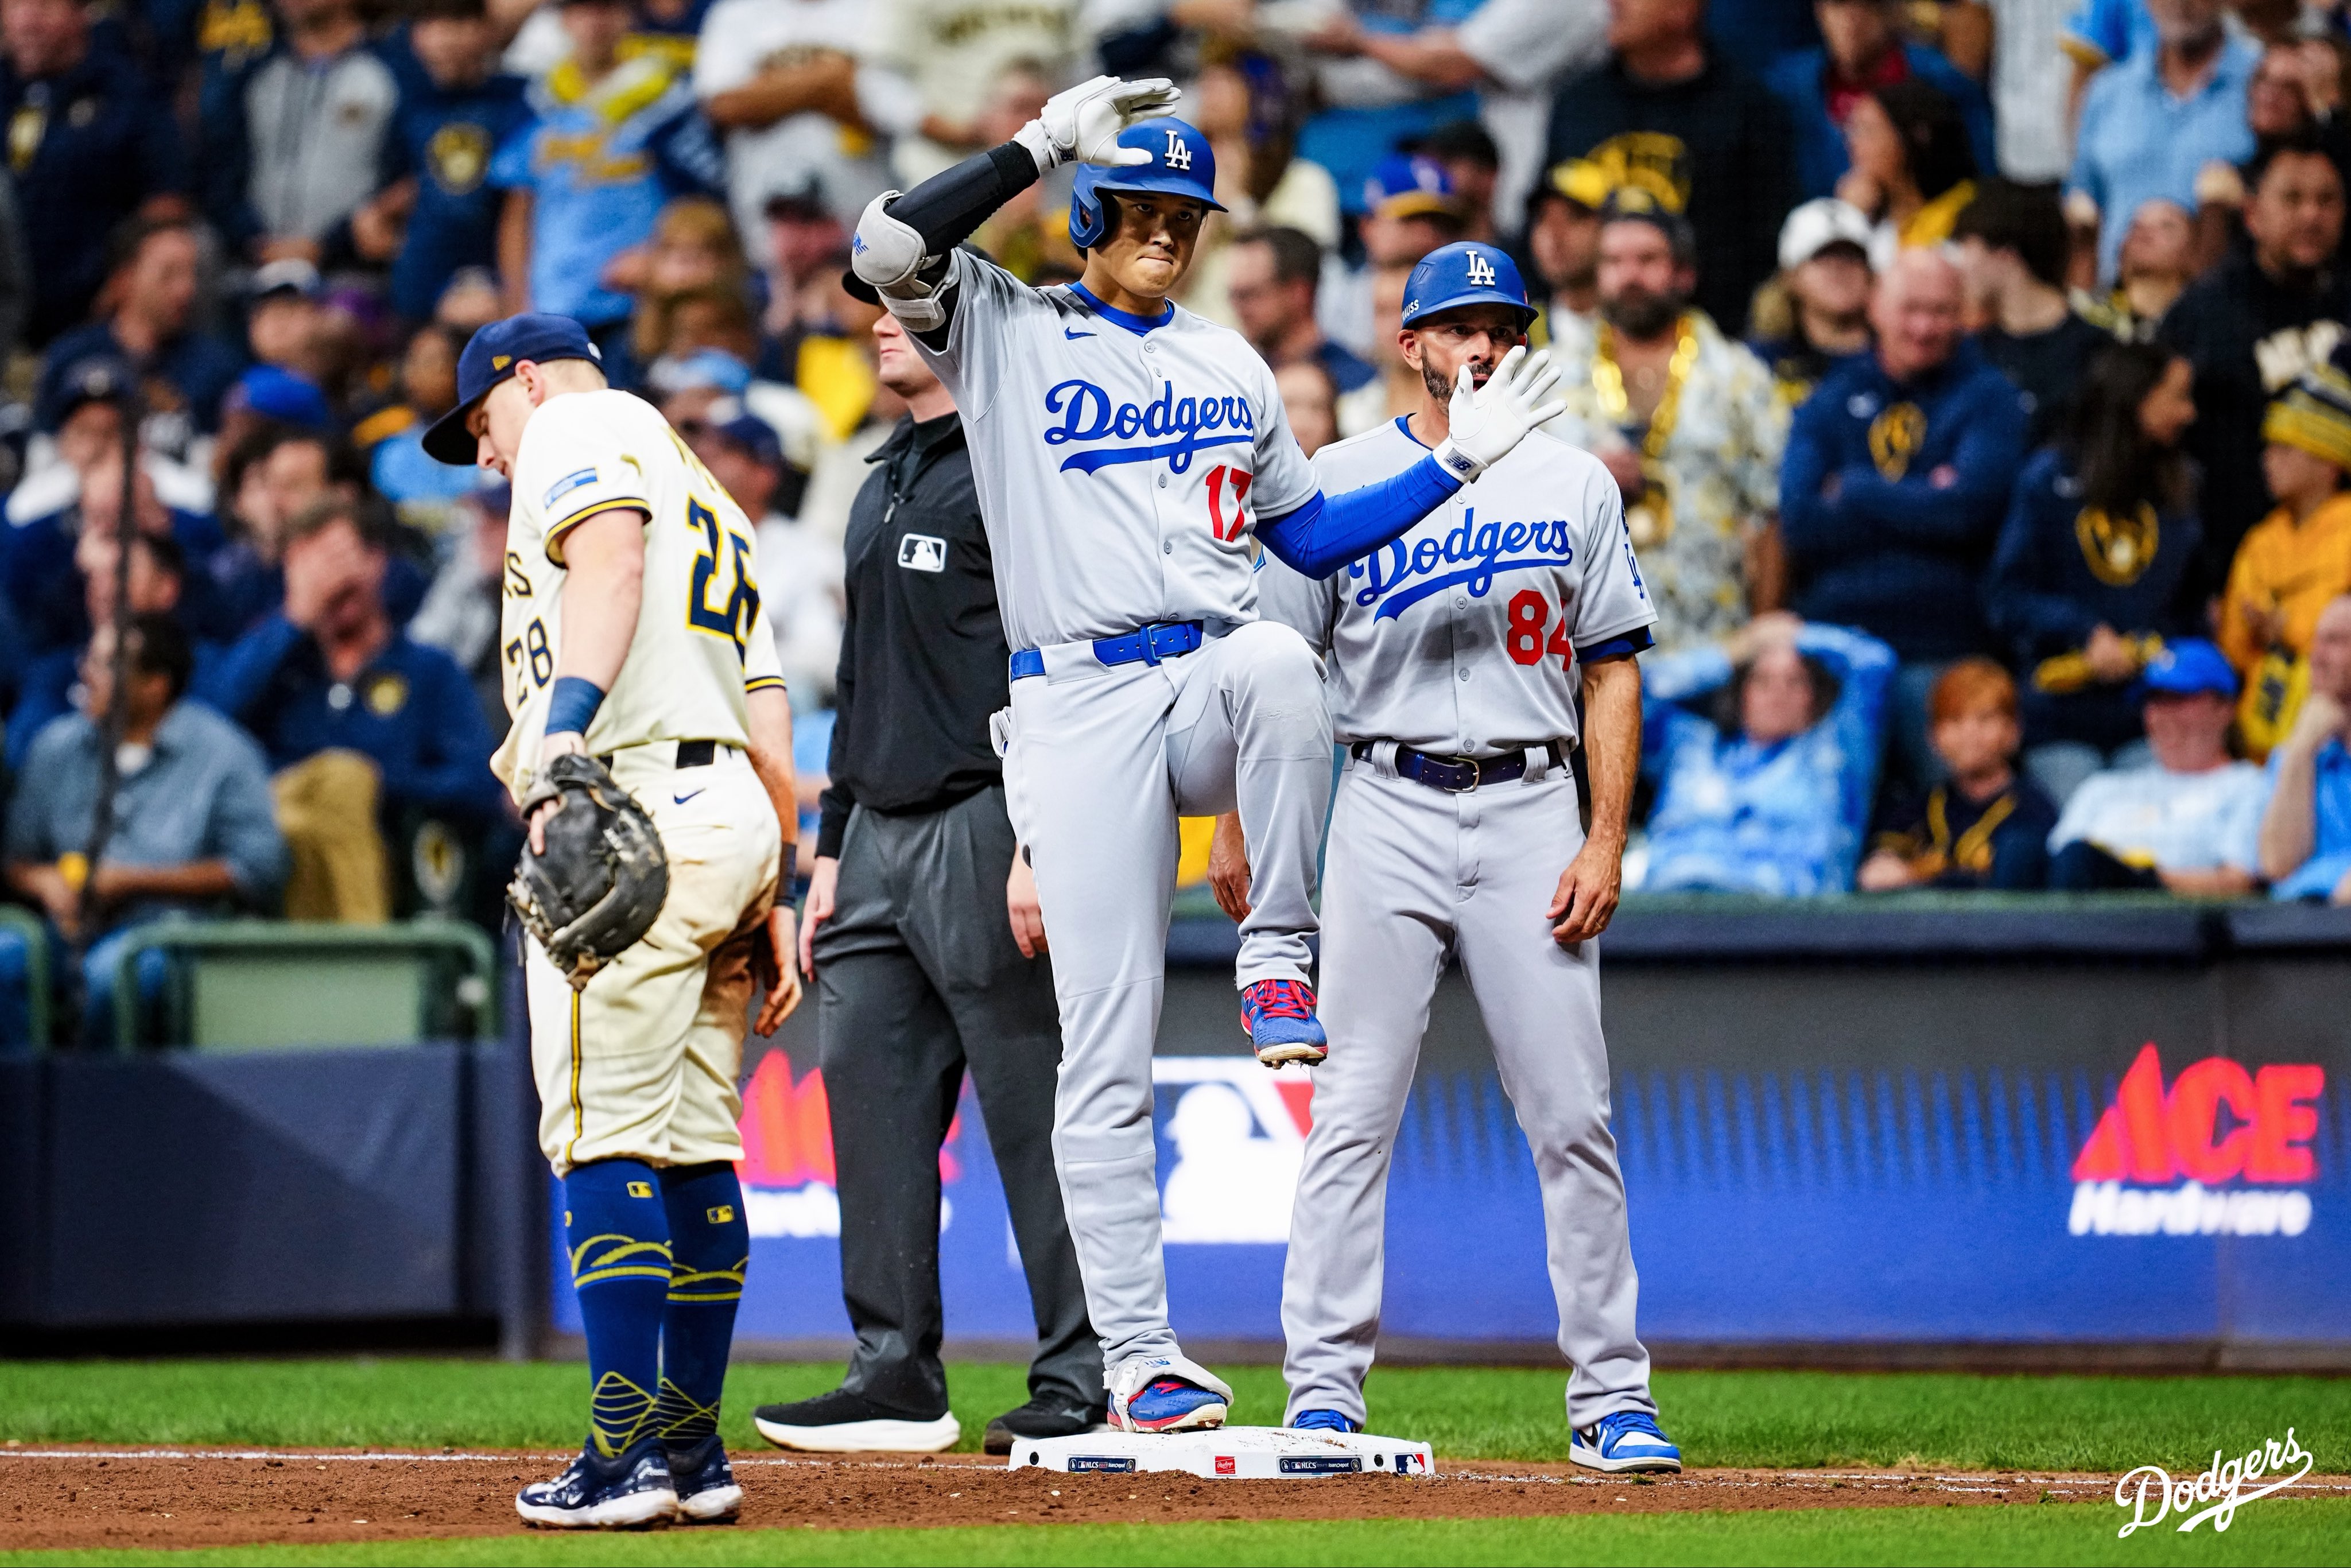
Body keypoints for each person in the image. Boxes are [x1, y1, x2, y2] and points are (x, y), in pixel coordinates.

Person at [845, 82, 1566, 1431]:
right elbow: (885, 249)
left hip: (1198, 671)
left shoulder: (1228, 361)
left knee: (1279, 660)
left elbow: (1303, 544)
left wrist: (1449, 469)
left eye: (1189, 214)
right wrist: (1038, 144)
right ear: (1091, 214)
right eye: (1147, 210)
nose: (1171, 233)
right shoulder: (1006, 327)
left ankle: (1276, 948)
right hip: (1069, 703)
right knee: (1104, 1050)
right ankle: (1140, 1358)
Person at [1223, 240, 1680, 1472]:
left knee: (1572, 1116)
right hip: (1381, 798)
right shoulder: (1339, 478)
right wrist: (1232, 822)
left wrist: (1601, 833)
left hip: (1533, 805)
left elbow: (1611, 666)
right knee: (1350, 1111)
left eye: (1499, 324)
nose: (1480, 344)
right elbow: (1272, 674)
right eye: (1456, 325)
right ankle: (1321, 1392)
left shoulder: (1575, 481)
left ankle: (1611, 1399)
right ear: (1410, 343)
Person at [420, 313, 805, 1527]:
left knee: (602, 1136)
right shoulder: (709, 491)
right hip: (725, 808)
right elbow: (764, 694)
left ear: (523, 381)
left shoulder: (581, 422)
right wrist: (776, 879)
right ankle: (692, 1455)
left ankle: (622, 1460)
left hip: (632, 794)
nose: (485, 455)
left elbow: (612, 564)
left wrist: (570, 734)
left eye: (480, 422)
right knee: (693, 1139)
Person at [752, 306, 1100, 1460]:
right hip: (876, 837)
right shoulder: (879, 479)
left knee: (1034, 1108)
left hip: (984, 815)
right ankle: (892, 1371)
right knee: (869, 1102)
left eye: (907, 311)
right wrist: (829, 850)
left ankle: (1088, 1369)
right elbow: (858, 680)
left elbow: (1058, 659)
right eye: (871, 313)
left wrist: (1038, 838)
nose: (877, 328)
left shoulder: (1021, 468)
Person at [1780, 247, 2026, 788]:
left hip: (1944, 645)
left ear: (1962, 313)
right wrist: (1924, 496)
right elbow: (1800, 520)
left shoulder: (1989, 398)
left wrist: (1857, 489)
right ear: (1875, 307)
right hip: (1837, 645)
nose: (1924, 326)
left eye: (1941, 311)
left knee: (1948, 817)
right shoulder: (1831, 396)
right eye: (1910, 308)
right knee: (1829, 816)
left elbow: (1969, 513)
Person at [197, 498, 501, 921]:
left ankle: (361, 957)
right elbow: (204, 730)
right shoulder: (275, 672)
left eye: (339, 559)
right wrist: (292, 620)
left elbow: (477, 785)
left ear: (376, 562)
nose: (331, 583)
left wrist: (376, 784)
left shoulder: (428, 671)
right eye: (311, 566)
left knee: (344, 781)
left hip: (401, 869)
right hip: (276, 879)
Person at [5, 613, 286, 1042]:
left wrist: (132, 882)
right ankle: (27, 1101)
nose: (87, 673)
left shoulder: (224, 753)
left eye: (107, 664)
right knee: (6, 959)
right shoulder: (55, 748)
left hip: (173, 932)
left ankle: (101, 1102)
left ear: (155, 685)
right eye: (89, 659)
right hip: (67, 930)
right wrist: (45, 882)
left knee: (114, 975)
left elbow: (261, 867)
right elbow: (16, 857)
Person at [1541, 192, 1786, 652]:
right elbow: (1512, 504)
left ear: (1685, 273)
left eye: (1647, 259)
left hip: (1715, 644)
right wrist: (1578, 481)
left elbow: (1771, 518)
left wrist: (1762, 647)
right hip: (1581, 649)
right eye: (1614, 261)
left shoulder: (1740, 377)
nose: (1629, 275)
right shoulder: (1548, 378)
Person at [1987, 341, 2202, 804]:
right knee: (2086, 840)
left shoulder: (2182, 487)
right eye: (2177, 396)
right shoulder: (2048, 479)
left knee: (2154, 839)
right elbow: (2006, 596)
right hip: (2061, 718)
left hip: (2153, 717)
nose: (2188, 413)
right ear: (2136, 398)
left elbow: (2192, 607)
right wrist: (2085, 633)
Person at [2156, 138, 2350, 583]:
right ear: (2252, 215)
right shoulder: (2204, 312)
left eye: (2327, 201)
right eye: (2292, 199)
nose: (2311, 216)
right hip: (2230, 559)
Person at [1545, 0, 1795, 333]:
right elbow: (1546, 216)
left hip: (1712, 339)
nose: (1614, 3)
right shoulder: (1579, 104)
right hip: (1583, 337)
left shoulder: (1748, 111)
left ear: (1683, 9)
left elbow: (1766, 245)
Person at [492, 0, 724, 345]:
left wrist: (660, 258)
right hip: (554, 305)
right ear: (563, 20)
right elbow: (518, 211)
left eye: (606, 9)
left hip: (641, 303)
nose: (594, 23)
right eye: (581, 10)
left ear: (628, 16)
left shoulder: (666, 97)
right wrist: (516, 299)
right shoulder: (537, 101)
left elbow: (701, 201)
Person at [1636, 612, 1898, 895]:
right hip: (1669, 914)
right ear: (1741, 692)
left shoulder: (1837, 752)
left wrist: (1800, 637)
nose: (1778, 693)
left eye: (1795, 681)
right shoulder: (1689, 747)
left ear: (1814, 696)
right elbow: (1630, 692)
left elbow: (1874, 663)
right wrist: (1731, 653)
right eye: (1763, 680)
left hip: (1786, 926)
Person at [0, 0, 186, 346]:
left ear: (81, 13)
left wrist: (123, 284)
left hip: (98, 320)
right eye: (13, 7)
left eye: (43, 7)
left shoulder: (128, 92)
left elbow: (167, 204)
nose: (26, 22)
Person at [2045, 638, 2264, 893]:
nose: (2162, 714)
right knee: (2031, 851)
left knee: (2084, 861)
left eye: (2178, 699)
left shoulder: (2248, 786)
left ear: (2225, 708)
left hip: (2175, 924)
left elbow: (2238, 882)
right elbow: (2053, 866)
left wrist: (2140, 880)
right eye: (2154, 700)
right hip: (2073, 918)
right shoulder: (2102, 788)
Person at [2067, 0, 2259, 285]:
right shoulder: (2107, 91)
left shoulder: (2263, 82)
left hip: (2231, 301)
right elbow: (2082, 209)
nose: (2181, 4)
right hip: (2118, 303)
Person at [692, 0, 915, 240]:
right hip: (769, 220)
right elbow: (725, 106)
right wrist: (830, 82)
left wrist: (771, 88)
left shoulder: (882, 9)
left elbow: (901, 110)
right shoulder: (736, 13)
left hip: (868, 213)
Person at [2217, 366, 2351, 758]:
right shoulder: (2260, 541)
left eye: (2286, 449)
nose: (2268, 460)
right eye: (2269, 448)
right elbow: (2233, 647)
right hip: (2256, 734)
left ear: (2329, 462)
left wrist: (2287, 630)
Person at [371, 0, 530, 326]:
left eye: (459, 22)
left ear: (487, 31)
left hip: (500, 272)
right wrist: (377, 215)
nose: (446, 39)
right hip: (421, 279)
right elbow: (401, 182)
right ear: (416, 36)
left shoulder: (519, 99)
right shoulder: (407, 101)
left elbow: (525, 198)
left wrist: (516, 293)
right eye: (432, 24)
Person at [203, 0, 398, 265]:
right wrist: (252, 238)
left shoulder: (394, 69)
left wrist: (331, 244)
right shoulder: (250, 72)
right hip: (255, 266)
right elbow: (222, 172)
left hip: (354, 273)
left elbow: (404, 175)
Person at [38, 216, 240, 462]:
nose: (186, 289)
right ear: (125, 279)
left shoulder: (217, 367)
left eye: (191, 274)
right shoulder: (72, 357)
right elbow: (42, 451)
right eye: (169, 274)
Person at [687, 401, 840, 705]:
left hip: (766, 701)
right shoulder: (677, 535)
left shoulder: (807, 552)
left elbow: (824, 657)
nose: (706, 457)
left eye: (726, 450)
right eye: (704, 447)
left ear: (765, 475)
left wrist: (735, 661)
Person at [1857, 657, 2058, 889]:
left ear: (2013, 731)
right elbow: (1875, 872)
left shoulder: (2033, 809)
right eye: (1954, 720)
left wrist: (1915, 876)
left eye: (1985, 719)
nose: (1969, 733)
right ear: (1932, 735)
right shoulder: (1921, 807)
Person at [1765, 0, 1994, 203]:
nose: (1851, 19)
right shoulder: (1788, 87)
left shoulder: (1943, 82)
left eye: (1867, 4)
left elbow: (1981, 182)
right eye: (1838, 4)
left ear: (1892, 10)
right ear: (1820, 10)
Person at [1953, 178, 2118, 447]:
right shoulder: (1972, 352)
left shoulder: (2096, 351)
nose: (1961, 266)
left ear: (2006, 254)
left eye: (1967, 247)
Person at [2255, 593, 2351, 901]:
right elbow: (2278, 864)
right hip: (2300, 934)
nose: (2316, 656)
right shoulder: (2293, 756)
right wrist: (2302, 749)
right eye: (2316, 641)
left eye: (2336, 641)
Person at [1224, 227, 1377, 407]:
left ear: (1299, 293)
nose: (1238, 308)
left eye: (1250, 294)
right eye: (1233, 295)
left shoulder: (1359, 383)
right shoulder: (1236, 381)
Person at [1746, 196, 1874, 407]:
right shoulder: (1757, 365)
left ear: (1872, 275)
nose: (1839, 269)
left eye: (1852, 256)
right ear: (1790, 276)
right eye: (1823, 257)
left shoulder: (1900, 360)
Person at [1837, 78, 1978, 266]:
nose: (1852, 144)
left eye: (1867, 131)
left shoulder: (1965, 214)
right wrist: (1849, 216)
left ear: (1916, 136)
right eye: (1852, 131)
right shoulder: (1868, 217)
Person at [1526, 159, 1607, 354]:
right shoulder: (1518, 331)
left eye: (1574, 217)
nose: (1555, 235)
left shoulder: (1646, 326)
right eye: (1543, 219)